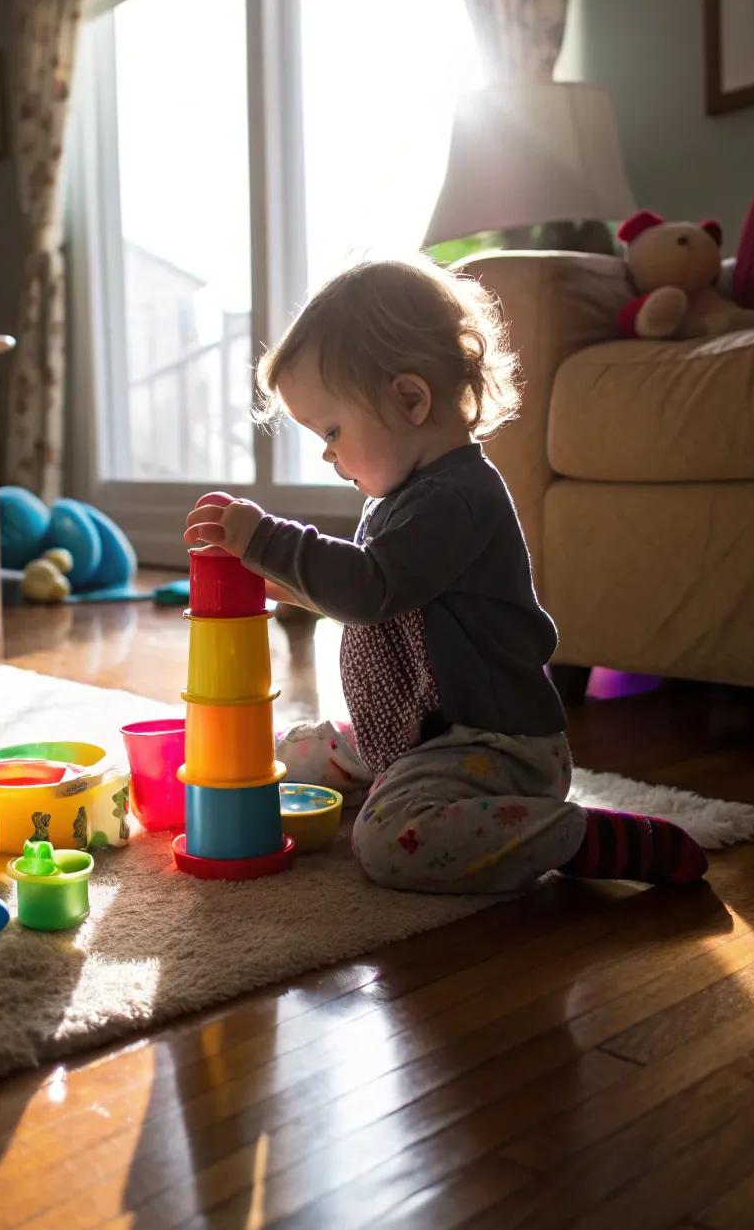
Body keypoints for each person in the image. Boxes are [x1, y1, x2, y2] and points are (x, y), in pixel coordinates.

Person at [184, 258, 707, 895]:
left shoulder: (456, 500)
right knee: (285, 759)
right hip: (418, 730)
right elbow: (382, 600)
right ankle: (388, 776)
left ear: (409, 399)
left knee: (389, 840)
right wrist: (282, 582)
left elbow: (371, 589)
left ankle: (573, 834)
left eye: (331, 429)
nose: (326, 452)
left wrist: (266, 539)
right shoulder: (408, 495)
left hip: (493, 747)